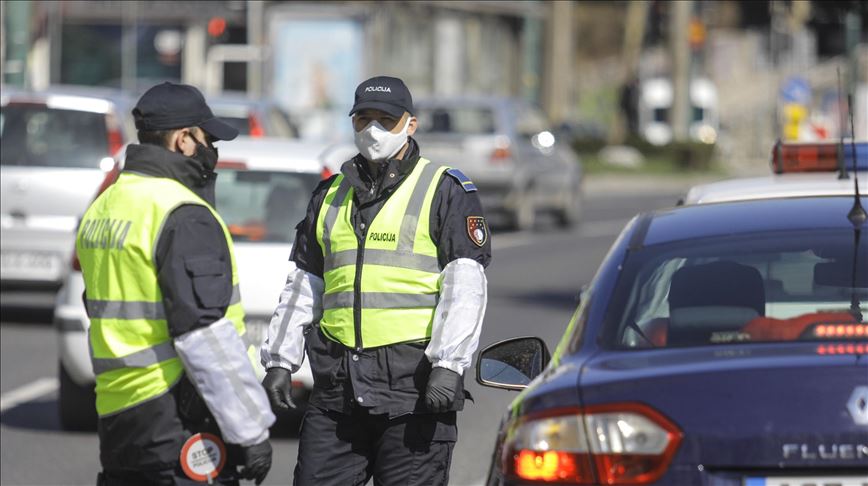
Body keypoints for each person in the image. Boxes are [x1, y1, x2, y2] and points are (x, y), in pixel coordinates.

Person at [260, 75, 491, 485]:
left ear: (410, 124)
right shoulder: (329, 195)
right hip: (337, 393)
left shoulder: (444, 190)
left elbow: (465, 285)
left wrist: (449, 365)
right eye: (363, 119)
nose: (373, 130)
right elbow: (305, 283)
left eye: (386, 119)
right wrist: (280, 360)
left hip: (412, 393)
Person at [76, 82, 275, 486]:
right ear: (184, 140)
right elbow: (203, 331)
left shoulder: (105, 206)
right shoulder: (181, 212)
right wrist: (250, 429)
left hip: (118, 411)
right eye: (207, 138)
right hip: (176, 416)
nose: (212, 150)